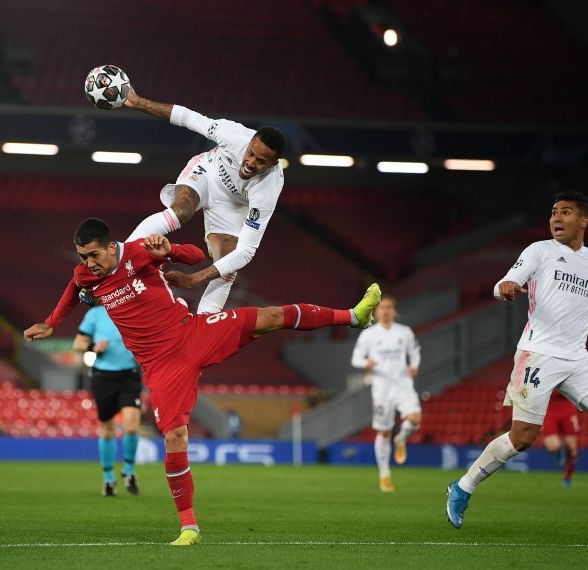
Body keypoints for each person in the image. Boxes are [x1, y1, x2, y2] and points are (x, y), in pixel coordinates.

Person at [23, 218, 381, 546]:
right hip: (161, 366)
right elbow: (74, 287)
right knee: (176, 436)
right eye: (83, 256)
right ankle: (189, 527)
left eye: (94, 255)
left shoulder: (137, 252)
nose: (89, 263)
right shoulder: (86, 274)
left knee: (271, 316)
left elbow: (195, 256)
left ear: (112, 247)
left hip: (192, 332)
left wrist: (170, 251)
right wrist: (52, 322)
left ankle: (353, 316)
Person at [445, 191, 588, 536]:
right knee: (523, 438)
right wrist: (508, 287)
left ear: (583, 221)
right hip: (539, 354)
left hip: (578, 357)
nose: (556, 218)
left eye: (566, 212)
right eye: (554, 213)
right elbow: (504, 284)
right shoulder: (539, 251)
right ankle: (463, 487)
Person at [122, 86, 287, 314]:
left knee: (228, 263)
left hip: (233, 205)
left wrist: (195, 279)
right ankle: (121, 261)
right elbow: (188, 118)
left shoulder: (268, 189)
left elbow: (246, 252)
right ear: (249, 143)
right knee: (181, 211)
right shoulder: (232, 135)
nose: (249, 162)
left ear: (273, 164)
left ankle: (203, 328)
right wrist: (139, 102)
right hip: (207, 174)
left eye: (260, 161)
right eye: (250, 153)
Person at [351, 294, 421, 492]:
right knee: (383, 431)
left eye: (389, 307)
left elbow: (415, 352)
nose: (386, 310)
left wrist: (414, 365)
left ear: (395, 310)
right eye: (382, 307)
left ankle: (401, 439)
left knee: (414, 419)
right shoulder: (368, 335)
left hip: (403, 384)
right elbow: (355, 359)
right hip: (381, 388)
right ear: (376, 311)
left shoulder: (405, 332)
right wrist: (367, 363)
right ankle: (384, 474)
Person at [74, 305, 143, 497]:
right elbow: (78, 343)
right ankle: (108, 478)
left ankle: (128, 470)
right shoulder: (95, 314)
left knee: (131, 427)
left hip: (129, 375)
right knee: (107, 431)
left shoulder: (135, 308)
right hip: (103, 376)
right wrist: (93, 347)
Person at [542, 391, 579, 487]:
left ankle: (567, 478)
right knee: (553, 447)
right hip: (550, 410)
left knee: (572, 449)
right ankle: (559, 449)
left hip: (567, 409)